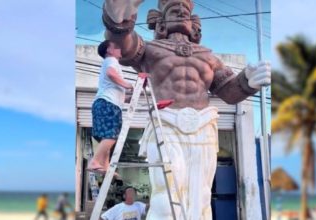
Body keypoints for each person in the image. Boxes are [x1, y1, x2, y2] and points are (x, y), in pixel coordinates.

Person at [101, 0, 271, 219]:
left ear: (194, 23)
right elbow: (124, 48)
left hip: (203, 126)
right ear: (160, 21)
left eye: (185, 12)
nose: (181, 13)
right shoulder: (150, 50)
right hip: (166, 123)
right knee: (165, 196)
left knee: (201, 197)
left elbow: (229, 92)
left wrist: (248, 81)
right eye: (174, 10)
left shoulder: (209, 56)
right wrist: (119, 20)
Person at [87, 40, 133, 175]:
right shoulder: (111, 60)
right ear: (109, 50)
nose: (119, 49)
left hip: (104, 103)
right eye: (116, 46)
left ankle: (105, 166)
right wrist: (127, 84)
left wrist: (129, 97)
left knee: (106, 138)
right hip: (107, 104)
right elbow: (111, 74)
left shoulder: (110, 62)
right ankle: (95, 161)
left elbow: (117, 92)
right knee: (111, 135)